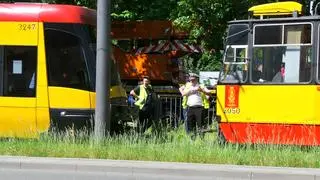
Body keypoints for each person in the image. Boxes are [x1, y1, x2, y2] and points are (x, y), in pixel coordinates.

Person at [182, 73, 212, 138]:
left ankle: (201, 138)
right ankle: (192, 139)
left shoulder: (201, 86)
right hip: (190, 108)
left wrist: (201, 90)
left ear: (196, 79)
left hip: (199, 108)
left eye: (193, 79)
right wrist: (190, 90)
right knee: (190, 124)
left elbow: (209, 93)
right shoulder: (188, 86)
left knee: (200, 124)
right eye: (190, 79)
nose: (191, 81)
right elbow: (183, 94)